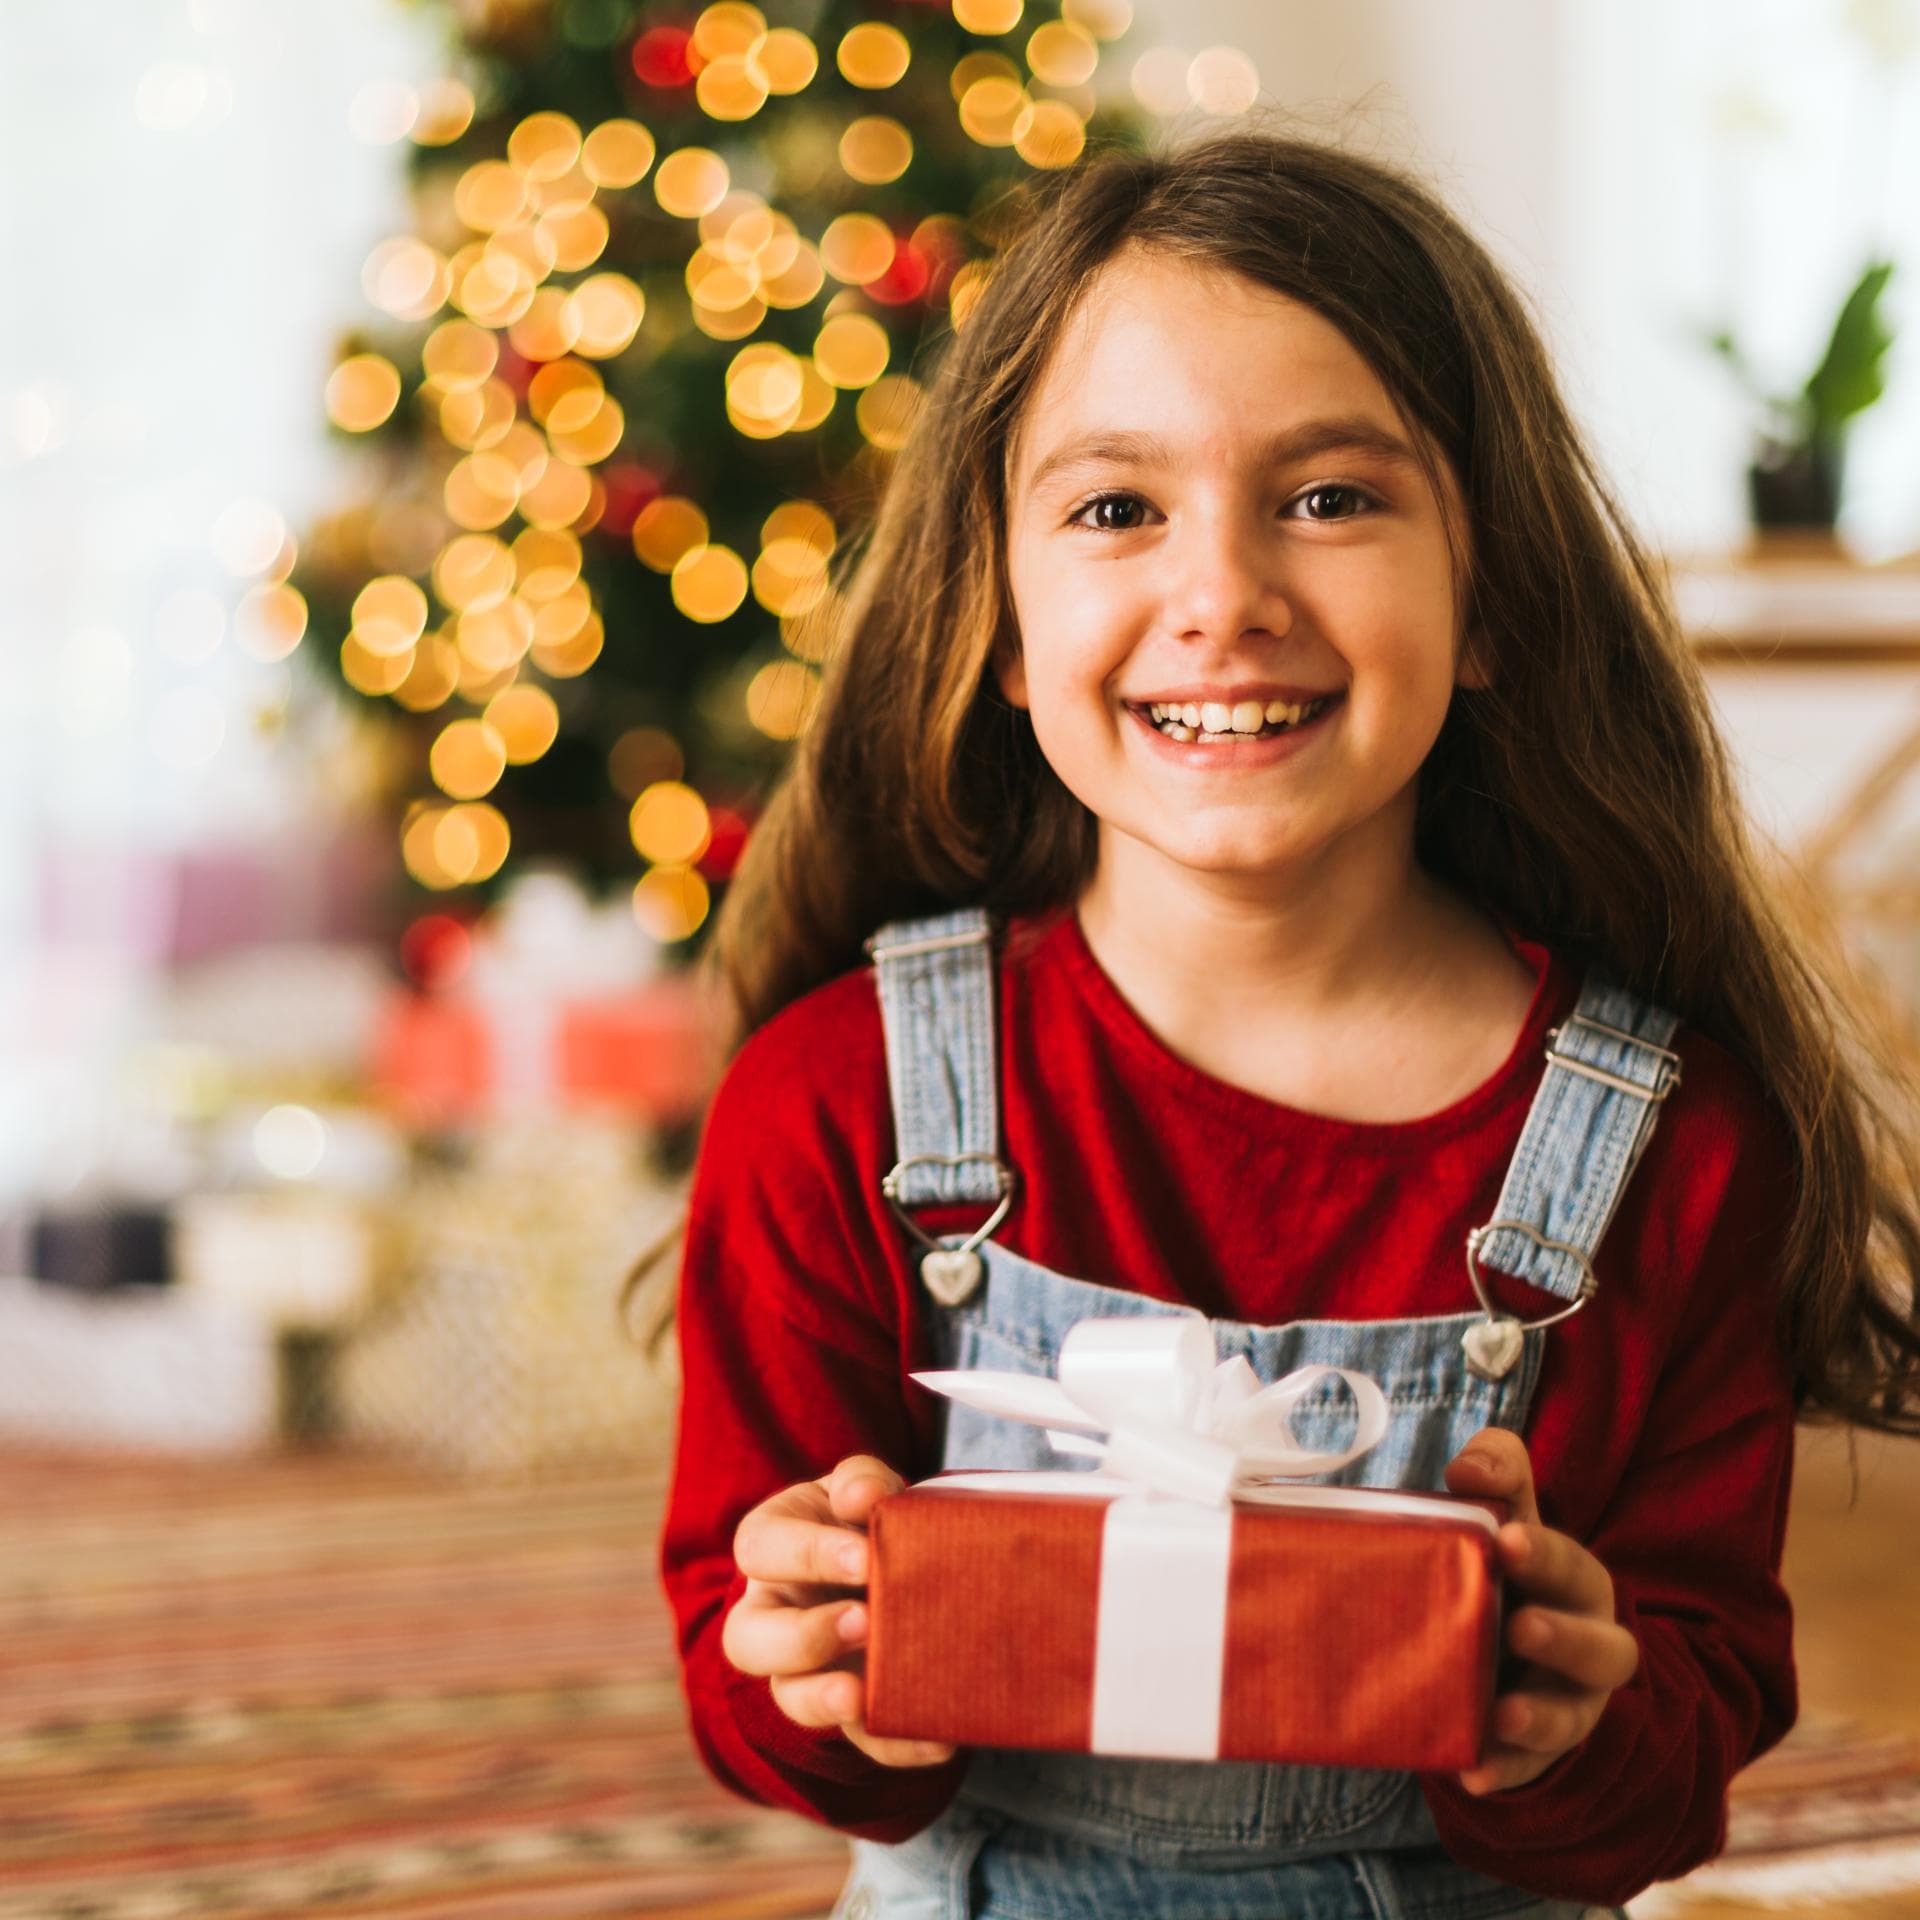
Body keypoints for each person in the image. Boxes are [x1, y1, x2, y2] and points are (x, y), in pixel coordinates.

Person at [651, 128, 1920, 1918]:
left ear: (1489, 598)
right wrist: (814, 1667)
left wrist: (1577, 1725)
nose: (1222, 598)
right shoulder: (832, 1103)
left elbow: (1689, 1733)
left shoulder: (1683, 1148)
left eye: (1329, 498)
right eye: (1116, 510)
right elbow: (750, 1679)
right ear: (999, 622)